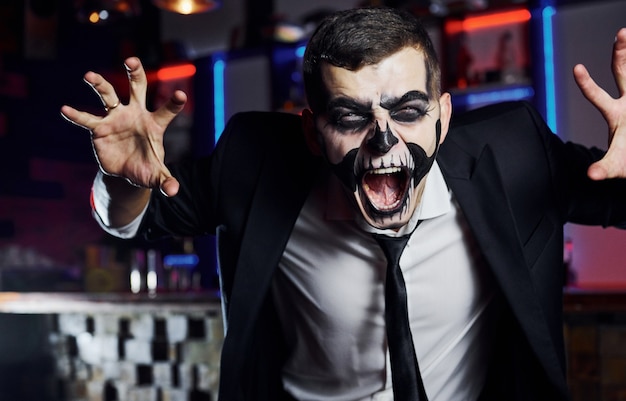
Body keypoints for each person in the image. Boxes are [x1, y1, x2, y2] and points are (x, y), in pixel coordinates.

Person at [61, 7, 626, 401]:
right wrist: (124, 178)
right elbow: (132, 219)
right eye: (351, 118)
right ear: (312, 131)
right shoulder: (254, 163)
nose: (385, 142)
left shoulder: (516, 153)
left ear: (443, 117)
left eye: (408, 111)